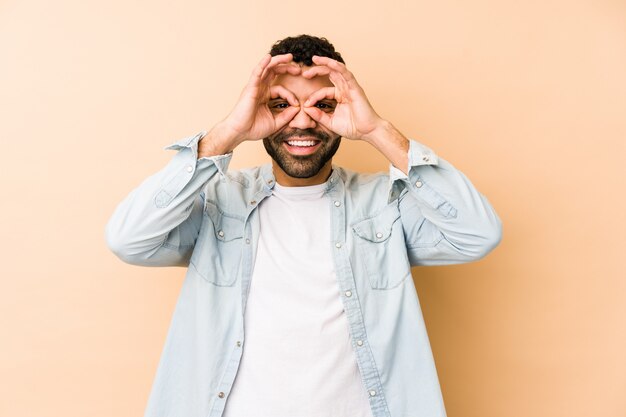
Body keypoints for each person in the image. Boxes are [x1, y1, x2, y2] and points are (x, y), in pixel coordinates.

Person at [105, 34, 502, 417]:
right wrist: (229, 131)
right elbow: (130, 239)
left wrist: (376, 130)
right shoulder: (218, 201)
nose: (302, 121)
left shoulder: (385, 205)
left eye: (323, 105)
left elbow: (478, 233)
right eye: (281, 104)